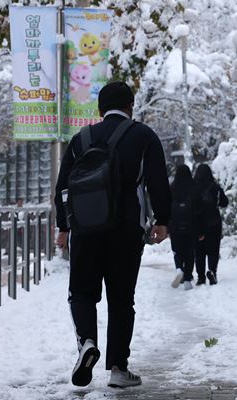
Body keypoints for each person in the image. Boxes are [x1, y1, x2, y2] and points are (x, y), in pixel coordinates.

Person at [54, 81, 171, 388]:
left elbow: (63, 187)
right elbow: (158, 181)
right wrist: (162, 220)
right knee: (121, 299)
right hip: (126, 231)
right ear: (131, 106)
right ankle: (119, 369)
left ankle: (87, 344)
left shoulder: (81, 139)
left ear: (99, 110)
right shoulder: (143, 136)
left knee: (81, 292)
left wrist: (64, 226)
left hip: (85, 230)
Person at [193, 164, 228, 285]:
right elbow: (224, 202)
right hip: (214, 222)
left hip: (197, 223)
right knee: (213, 249)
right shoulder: (215, 187)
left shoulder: (193, 187)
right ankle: (212, 271)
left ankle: (200, 277)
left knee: (199, 252)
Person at [168, 165, 198, 290]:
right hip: (191, 226)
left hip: (174, 226)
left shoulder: (172, 188)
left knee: (177, 251)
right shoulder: (193, 187)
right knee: (190, 253)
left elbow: (166, 206)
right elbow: (198, 209)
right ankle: (187, 279)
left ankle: (179, 268)